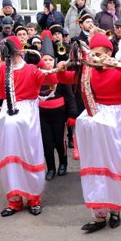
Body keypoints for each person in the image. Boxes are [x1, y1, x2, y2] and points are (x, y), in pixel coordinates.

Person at [56, 33, 121, 232]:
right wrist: (61, 68)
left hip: (115, 121)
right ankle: (98, 215)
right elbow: (65, 78)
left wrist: (117, 65)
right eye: (91, 53)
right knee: (95, 165)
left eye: (97, 53)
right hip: (95, 120)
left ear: (108, 53)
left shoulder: (118, 69)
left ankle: (115, 210)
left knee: (115, 163)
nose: (93, 57)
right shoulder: (87, 72)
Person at [0, 35, 57, 216]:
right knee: (9, 158)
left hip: (27, 118)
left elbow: (53, 80)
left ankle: (34, 198)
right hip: (7, 117)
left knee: (30, 156)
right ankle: (14, 199)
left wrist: (40, 63)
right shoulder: (1, 70)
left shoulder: (31, 69)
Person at [38, 32, 77, 180]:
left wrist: (72, 114)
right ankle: (51, 168)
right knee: (47, 142)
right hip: (43, 113)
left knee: (59, 140)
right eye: (44, 60)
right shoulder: (38, 74)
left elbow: (69, 96)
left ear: (54, 60)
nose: (47, 62)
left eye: (49, 60)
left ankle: (63, 163)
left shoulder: (60, 74)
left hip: (59, 113)